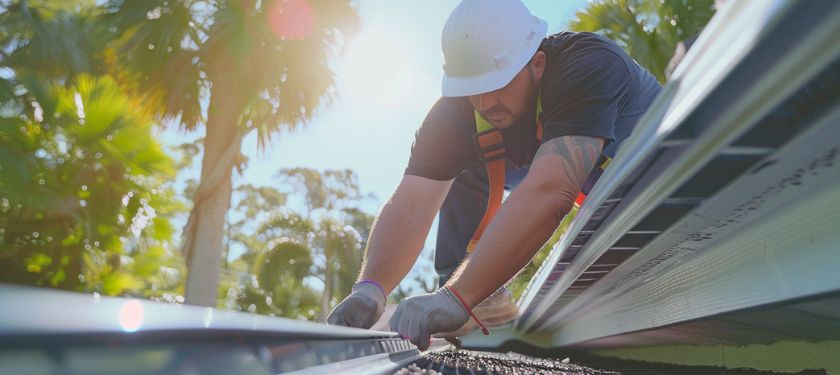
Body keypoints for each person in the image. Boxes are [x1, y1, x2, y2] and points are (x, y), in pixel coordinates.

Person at [327, 0, 661, 350]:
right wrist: (370, 288)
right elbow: (410, 205)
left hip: (660, 177)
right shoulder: (456, 112)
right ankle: (480, 297)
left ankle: (466, 293)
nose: (485, 103)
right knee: (463, 163)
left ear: (537, 64)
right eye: (474, 90)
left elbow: (551, 192)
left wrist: (459, 297)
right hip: (593, 196)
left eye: (497, 85)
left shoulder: (587, 63)